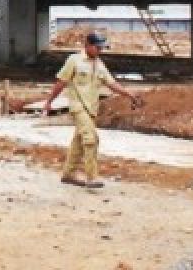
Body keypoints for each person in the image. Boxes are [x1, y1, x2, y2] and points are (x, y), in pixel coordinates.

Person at [41, 32, 143, 189]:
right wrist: (49, 102)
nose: (99, 50)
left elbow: (111, 84)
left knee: (79, 142)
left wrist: (130, 95)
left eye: (101, 47)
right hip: (78, 106)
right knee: (91, 139)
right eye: (97, 47)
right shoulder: (74, 60)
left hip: (91, 109)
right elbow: (61, 82)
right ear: (87, 45)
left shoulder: (100, 64)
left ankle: (68, 174)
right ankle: (92, 176)